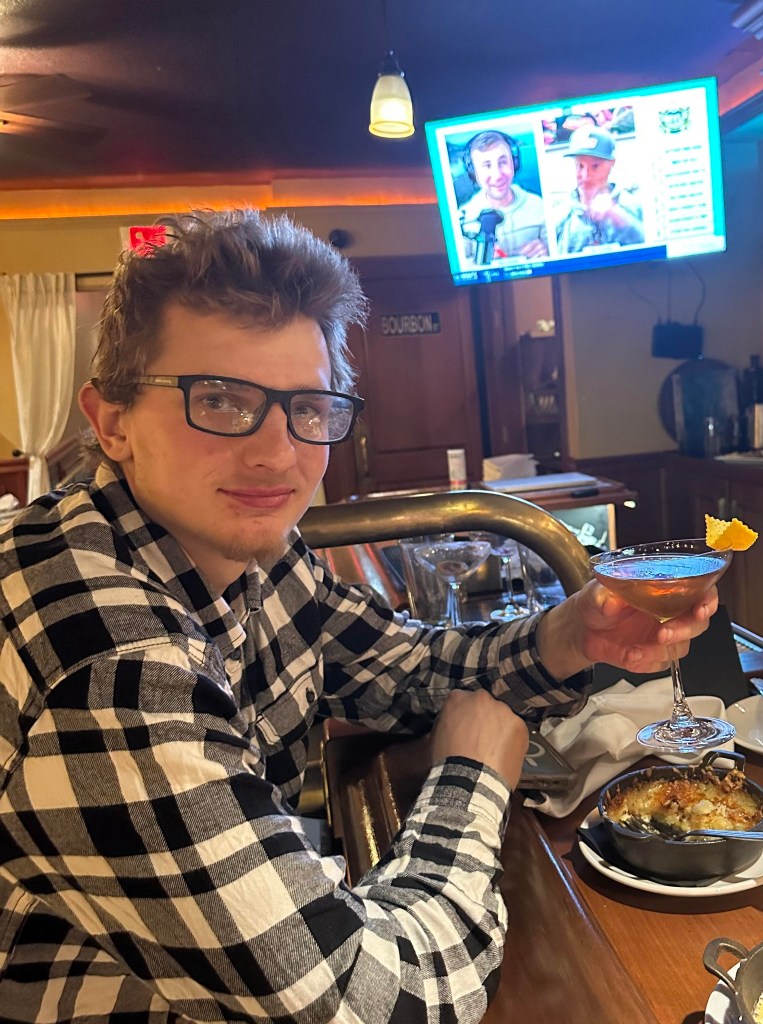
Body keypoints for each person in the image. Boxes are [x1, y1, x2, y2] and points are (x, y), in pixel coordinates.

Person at [0, 209, 717, 1024]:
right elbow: (378, 1004)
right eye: (221, 401)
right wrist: (470, 777)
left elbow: (398, 667)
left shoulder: (254, 554)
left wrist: (567, 637)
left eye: (309, 406)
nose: (277, 452)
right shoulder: (107, 659)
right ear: (112, 422)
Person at [457, 129, 548, 263]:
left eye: (503, 162)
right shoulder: (463, 219)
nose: (498, 175)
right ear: (473, 173)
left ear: (514, 163)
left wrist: (547, 253)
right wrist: (482, 263)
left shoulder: (540, 206)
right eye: (487, 166)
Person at [555, 125, 644, 254]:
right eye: (580, 166)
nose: (586, 175)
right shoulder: (560, 215)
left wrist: (616, 216)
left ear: (612, 163)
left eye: (595, 166)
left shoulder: (635, 205)